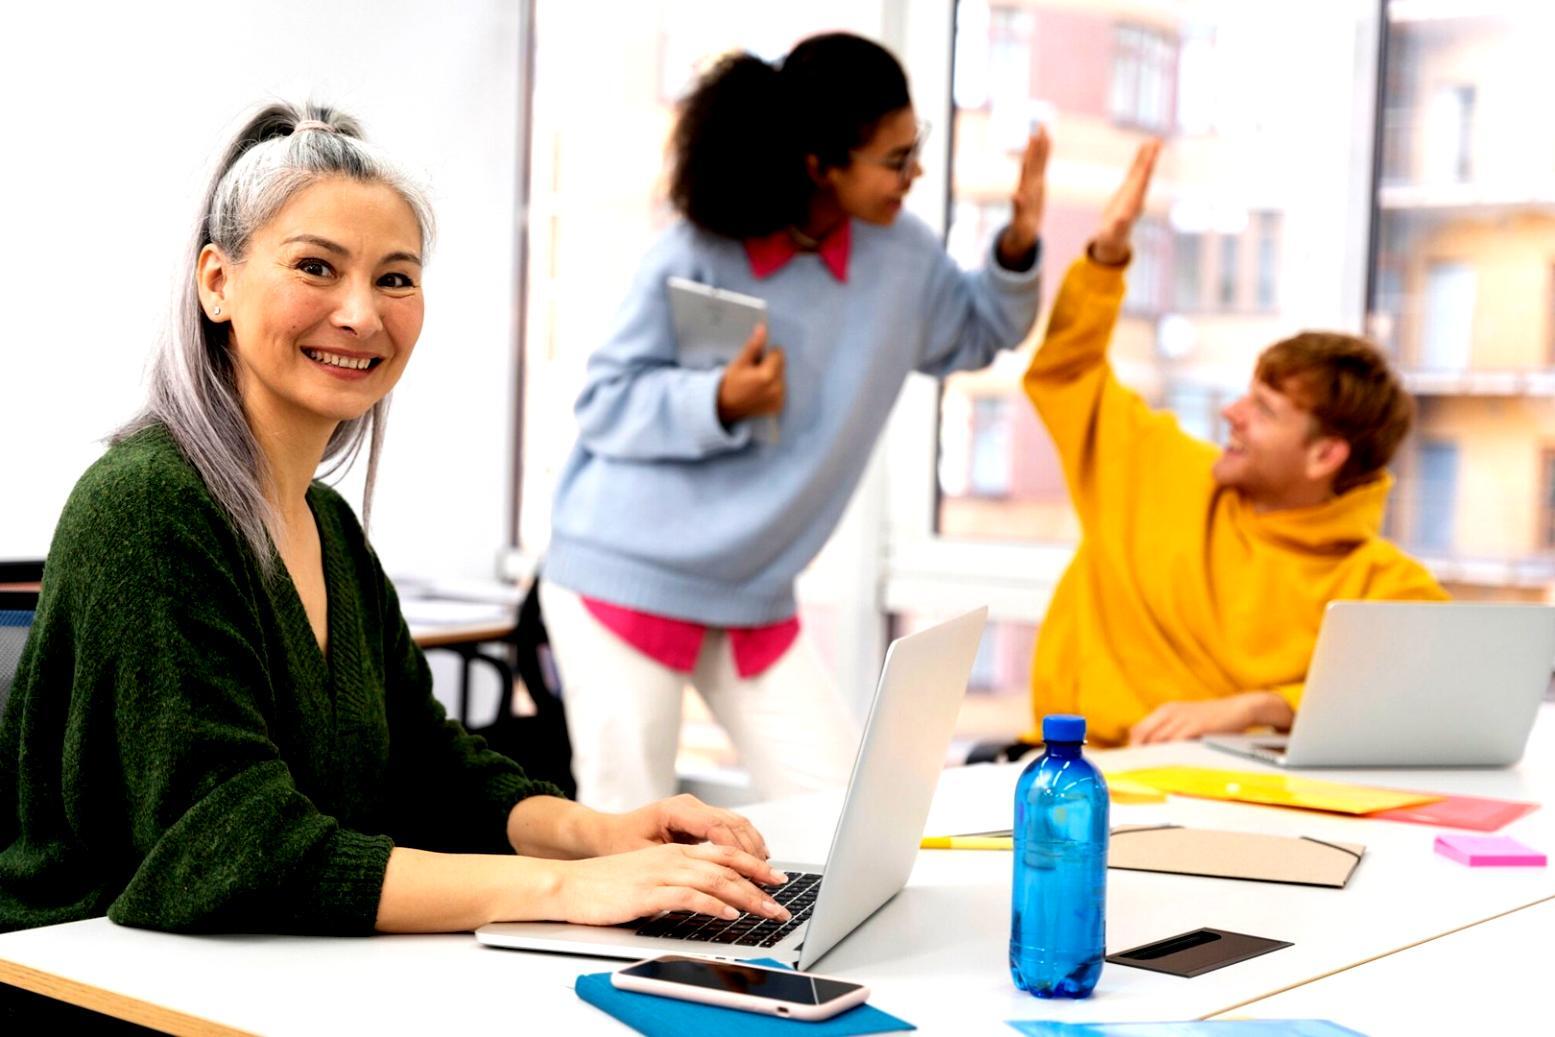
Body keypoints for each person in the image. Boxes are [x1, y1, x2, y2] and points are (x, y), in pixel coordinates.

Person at [0, 103, 794, 936]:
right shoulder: (147, 505)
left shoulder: (327, 524)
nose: (362, 314)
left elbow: (426, 765)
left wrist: (600, 835)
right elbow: (229, 844)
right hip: (87, 968)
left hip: (260, 967)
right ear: (216, 282)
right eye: (315, 267)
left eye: (394, 278)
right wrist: (567, 888)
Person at [542, 32, 1051, 810]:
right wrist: (718, 400)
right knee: (627, 825)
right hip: (624, 579)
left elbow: (979, 331)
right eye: (895, 159)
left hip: (750, 594)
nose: (914, 175)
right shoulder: (699, 246)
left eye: (914, 150)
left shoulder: (903, 256)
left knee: (851, 813)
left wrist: (1015, 246)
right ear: (819, 164)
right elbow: (606, 403)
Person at [1020, 141, 1449, 749]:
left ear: (1324, 456)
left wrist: (1263, 706)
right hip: (1084, 773)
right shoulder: (1158, 468)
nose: (1231, 413)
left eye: (1264, 410)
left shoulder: (1381, 587)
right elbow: (1066, 374)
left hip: (1239, 791)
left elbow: (1435, 696)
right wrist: (1106, 258)